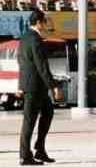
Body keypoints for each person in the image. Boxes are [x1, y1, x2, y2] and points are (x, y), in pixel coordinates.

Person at [18, 9, 61, 166]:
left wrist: (21, 83)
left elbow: (21, 62)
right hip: (34, 86)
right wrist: (54, 87)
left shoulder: (24, 38)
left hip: (34, 85)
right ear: (39, 23)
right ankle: (24, 156)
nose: (45, 24)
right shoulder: (35, 39)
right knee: (29, 121)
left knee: (48, 112)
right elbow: (42, 65)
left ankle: (40, 149)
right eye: (44, 21)